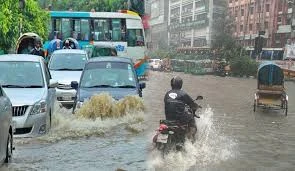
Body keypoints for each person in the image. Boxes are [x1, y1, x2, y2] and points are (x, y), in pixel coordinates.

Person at [164, 76, 199, 140]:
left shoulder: (167, 94)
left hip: (168, 120)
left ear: (171, 84)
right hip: (179, 121)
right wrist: (195, 107)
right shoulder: (183, 94)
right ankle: (191, 139)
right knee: (191, 119)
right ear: (180, 84)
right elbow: (193, 105)